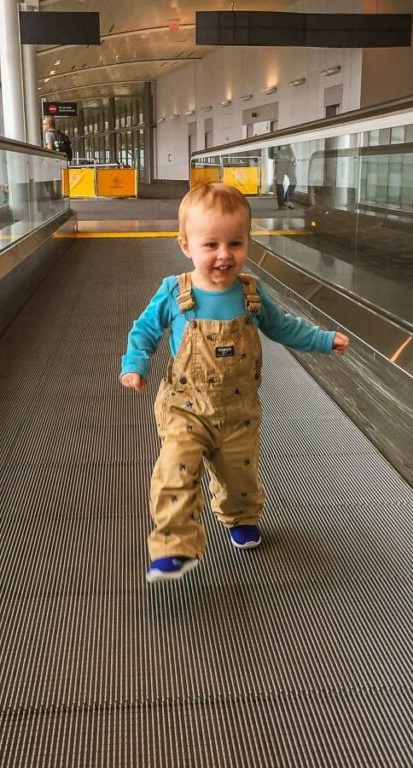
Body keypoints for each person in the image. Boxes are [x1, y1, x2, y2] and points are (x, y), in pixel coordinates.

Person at [120, 183, 350, 583]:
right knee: (175, 469)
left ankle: (240, 516)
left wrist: (323, 339)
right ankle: (174, 545)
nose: (224, 255)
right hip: (185, 408)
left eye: (235, 243)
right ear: (186, 245)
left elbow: (285, 328)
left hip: (238, 410)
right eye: (211, 244)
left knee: (239, 475)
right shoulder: (176, 292)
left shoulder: (251, 294)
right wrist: (134, 364)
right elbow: (144, 331)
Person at [271, 143, 297, 209]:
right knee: (293, 181)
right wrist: (295, 159)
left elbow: (271, 153)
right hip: (288, 162)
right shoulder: (289, 138)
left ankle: (282, 204)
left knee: (279, 182)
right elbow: (291, 146)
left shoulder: (276, 141)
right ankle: (287, 200)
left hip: (280, 161)